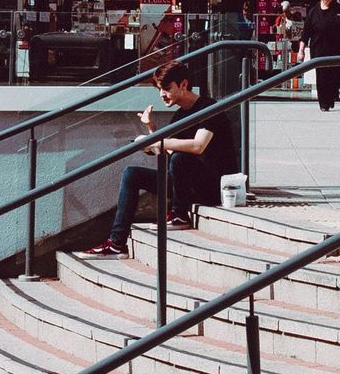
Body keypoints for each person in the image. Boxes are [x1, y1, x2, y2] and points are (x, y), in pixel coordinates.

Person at [85, 62, 235, 257]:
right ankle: (117, 244)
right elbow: (168, 151)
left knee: (181, 158)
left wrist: (158, 142)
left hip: (215, 186)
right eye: (159, 90)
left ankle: (180, 215)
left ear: (183, 84)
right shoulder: (181, 115)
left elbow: (198, 146)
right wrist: (151, 132)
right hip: (188, 184)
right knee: (132, 174)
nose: (162, 94)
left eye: (166, 89)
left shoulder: (209, 107)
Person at [301, 0, 340, 112]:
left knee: (335, 75)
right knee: (322, 77)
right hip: (319, 49)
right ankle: (324, 103)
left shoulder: (339, 9)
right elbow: (306, 33)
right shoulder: (313, 12)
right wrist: (301, 50)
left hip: (337, 49)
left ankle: (332, 97)